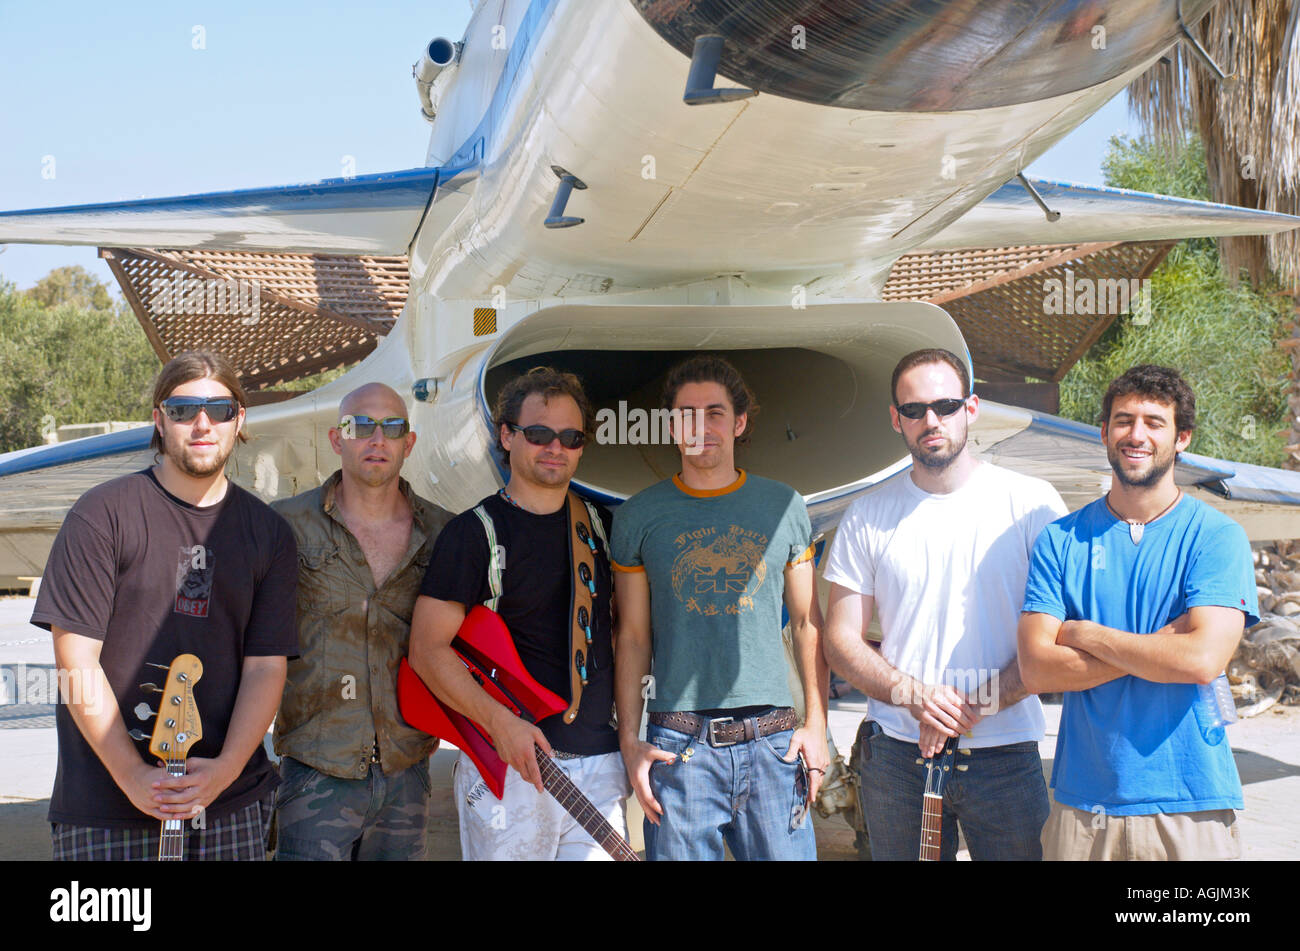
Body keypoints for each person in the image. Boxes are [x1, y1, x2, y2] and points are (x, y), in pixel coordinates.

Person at [31, 350, 297, 860]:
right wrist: (133, 776)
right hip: (106, 808)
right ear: (158, 419)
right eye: (182, 410)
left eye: (219, 410)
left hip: (229, 806)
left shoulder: (269, 533)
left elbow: (266, 667)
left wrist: (224, 772)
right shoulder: (101, 515)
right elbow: (76, 660)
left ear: (239, 420)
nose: (202, 423)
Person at [822, 348, 1065, 860]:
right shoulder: (867, 516)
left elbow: (1060, 635)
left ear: (971, 408)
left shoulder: (1033, 505)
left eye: (945, 405)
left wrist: (974, 707)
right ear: (896, 419)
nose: (930, 420)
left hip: (1005, 756)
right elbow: (840, 640)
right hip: (896, 758)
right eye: (913, 410)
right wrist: (912, 695)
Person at [1018, 364, 1256, 860]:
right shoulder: (1060, 541)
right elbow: (1038, 670)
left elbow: (1200, 661)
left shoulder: (1215, 537)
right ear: (1104, 432)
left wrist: (1084, 633)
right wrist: (1163, 643)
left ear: (1182, 437)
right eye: (1124, 420)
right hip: (1083, 807)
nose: (1137, 434)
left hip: (1190, 804)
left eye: (1154, 421)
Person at [612, 354, 829, 862]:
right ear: (670, 425)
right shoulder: (640, 516)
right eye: (686, 413)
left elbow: (805, 622)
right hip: (679, 744)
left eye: (714, 412)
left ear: (740, 421)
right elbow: (634, 638)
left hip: (775, 740)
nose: (701, 426)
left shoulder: (784, 506)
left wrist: (816, 726)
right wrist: (629, 740)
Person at [408, 367, 627, 860]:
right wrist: (500, 723)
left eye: (571, 437)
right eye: (538, 433)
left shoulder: (605, 528)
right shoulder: (472, 533)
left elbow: (628, 637)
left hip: (599, 763)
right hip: (509, 765)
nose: (555, 447)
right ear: (506, 436)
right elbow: (426, 650)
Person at [270, 383, 453, 860]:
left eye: (392, 427)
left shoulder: (445, 533)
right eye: (360, 427)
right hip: (315, 767)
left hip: (407, 769)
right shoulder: (285, 525)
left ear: (408, 444)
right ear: (337, 439)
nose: (377, 439)